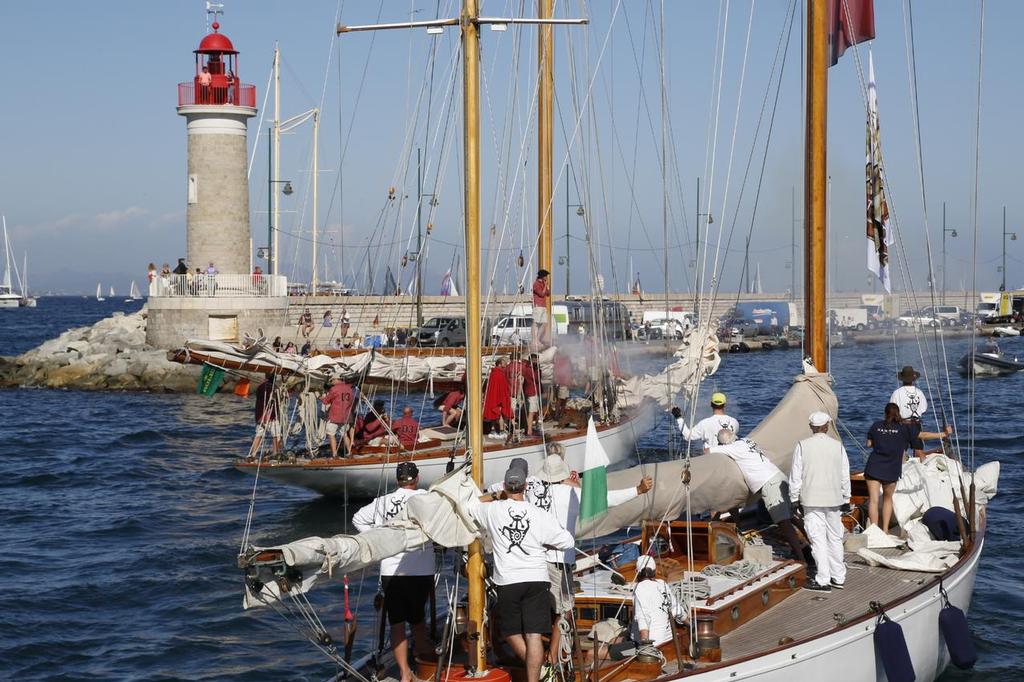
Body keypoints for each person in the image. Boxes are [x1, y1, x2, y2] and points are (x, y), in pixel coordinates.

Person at [535, 454, 653, 664]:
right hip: (558, 562)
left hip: (533, 561)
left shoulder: (531, 492)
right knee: (566, 611)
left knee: (538, 611)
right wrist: (637, 490)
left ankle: (535, 656)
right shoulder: (570, 493)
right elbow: (606, 499)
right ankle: (553, 658)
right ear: (563, 475)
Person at [471, 463, 574, 682]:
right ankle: (536, 675)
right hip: (537, 578)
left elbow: (468, 505)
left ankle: (537, 668)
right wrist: (547, 545)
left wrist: (494, 496)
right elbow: (567, 541)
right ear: (525, 486)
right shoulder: (538, 514)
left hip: (508, 580)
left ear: (505, 486)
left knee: (509, 632)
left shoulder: (492, 510)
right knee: (534, 635)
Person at [352, 462, 435, 682]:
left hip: (391, 570)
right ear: (417, 479)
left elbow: (358, 518)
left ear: (397, 480)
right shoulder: (426, 498)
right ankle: (422, 663)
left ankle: (404, 673)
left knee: (396, 622)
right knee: (418, 620)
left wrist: (379, 537)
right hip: (421, 569)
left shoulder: (383, 501)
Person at [712, 430, 807, 562]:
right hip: (778, 477)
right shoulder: (746, 441)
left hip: (769, 484)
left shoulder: (733, 448)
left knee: (783, 522)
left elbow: (707, 451)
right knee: (794, 516)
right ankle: (815, 546)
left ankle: (800, 558)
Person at [865, 402, 951, 534]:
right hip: (891, 468)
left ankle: (873, 532)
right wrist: (943, 434)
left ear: (885, 413)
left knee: (874, 500)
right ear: (898, 414)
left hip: (874, 466)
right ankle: (885, 530)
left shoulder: (876, 425)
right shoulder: (904, 429)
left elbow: (869, 444)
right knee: (888, 499)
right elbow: (923, 435)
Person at [789, 412, 851, 592]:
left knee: (818, 540)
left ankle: (823, 579)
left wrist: (794, 498)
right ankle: (838, 576)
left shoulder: (802, 445)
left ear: (811, 427)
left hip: (811, 499)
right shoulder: (837, 446)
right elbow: (844, 473)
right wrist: (846, 497)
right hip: (833, 499)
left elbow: (796, 475)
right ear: (826, 426)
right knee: (834, 537)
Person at [671, 392, 739, 453]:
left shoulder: (704, 423)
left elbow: (688, 436)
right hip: (729, 459)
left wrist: (678, 417)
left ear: (711, 404)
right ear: (725, 405)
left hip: (711, 458)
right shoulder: (735, 422)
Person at [321, 377, 356, 457]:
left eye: (331, 380)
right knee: (344, 434)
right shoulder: (349, 388)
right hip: (346, 416)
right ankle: (349, 452)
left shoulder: (334, 389)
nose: (331, 382)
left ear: (336, 379)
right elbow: (351, 401)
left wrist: (320, 397)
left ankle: (334, 454)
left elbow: (326, 401)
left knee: (331, 434)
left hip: (335, 417)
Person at [250, 376, 282, 457]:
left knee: (258, 435)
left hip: (259, 416)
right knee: (277, 435)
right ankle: (276, 454)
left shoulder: (260, 387)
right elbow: (274, 401)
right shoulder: (273, 388)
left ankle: (252, 455)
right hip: (270, 417)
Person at [483, 357, 513, 437]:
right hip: (500, 397)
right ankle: (502, 430)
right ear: (499, 364)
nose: (506, 364)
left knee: (494, 412)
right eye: (504, 362)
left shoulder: (493, 373)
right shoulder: (500, 373)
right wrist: (504, 397)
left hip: (493, 397)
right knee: (501, 413)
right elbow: (503, 387)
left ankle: (493, 430)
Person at [521, 353, 542, 436]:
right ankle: (529, 430)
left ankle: (533, 426)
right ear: (532, 360)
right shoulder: (532, 370)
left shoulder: (526, 368)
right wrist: (538, 370)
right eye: (536, 360)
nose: (537, 361)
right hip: (532, 392)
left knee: (534, 410)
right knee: (531, 411)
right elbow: (537, 379)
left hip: (529, 391)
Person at [532, 269, 552, 347]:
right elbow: (541, 294)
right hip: (538, 305)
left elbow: (548, 294)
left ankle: (537, 338)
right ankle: (535, 340)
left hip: (543, 306)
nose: (547, 277)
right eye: (546, 276)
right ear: (542, 276)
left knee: (544, 323)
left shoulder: (544, 284)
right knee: (536, 323)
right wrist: (544, 287)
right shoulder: (536, 284)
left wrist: (547, 286)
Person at [552, 350, 573, 419]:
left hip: (566, 383)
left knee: (564, 399)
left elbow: (569, 371)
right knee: (560, 399)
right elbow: (557, 372)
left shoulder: (565, 360)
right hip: (562, 383)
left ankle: (561, 414)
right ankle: (557, 415)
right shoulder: (561, 360)